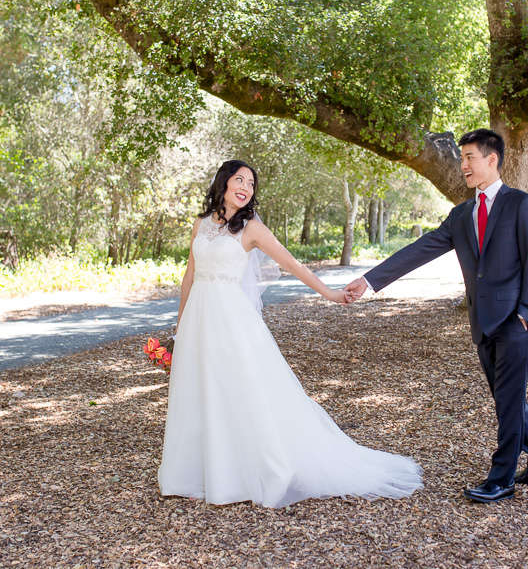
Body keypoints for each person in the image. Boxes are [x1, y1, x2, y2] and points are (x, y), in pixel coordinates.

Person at [158, 160, 423, 508]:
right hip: (198, 319)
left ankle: (247, 472)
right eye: (240, 179)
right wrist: (180, 329)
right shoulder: (201, 224)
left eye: (251, 183)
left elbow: (292, 264)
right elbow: (189, 277)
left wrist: (328, 293)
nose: (246, 187)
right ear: (223, 182)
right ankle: (196, 473)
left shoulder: (251, 228)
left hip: (231, 319)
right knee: (198, 389)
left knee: (239, 389)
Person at [345, 129, 528, 503]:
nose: (463, 165)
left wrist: (525, 316)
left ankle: (501, 479)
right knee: (508, 399)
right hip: (482, 323)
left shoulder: (520, 205)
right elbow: (420, 249)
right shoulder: (461, 215)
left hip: (514, 322)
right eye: (461, 158)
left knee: (508, 401)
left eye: (469, 157)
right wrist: (369, 280)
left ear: (491, 159)